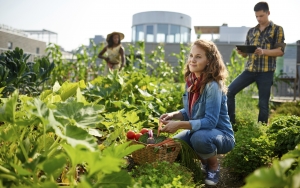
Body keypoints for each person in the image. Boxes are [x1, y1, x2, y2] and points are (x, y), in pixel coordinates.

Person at [159, 39, 235, 186]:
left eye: (198, 56)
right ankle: (204, 159)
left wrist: (179, 125)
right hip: (200, 131)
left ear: (209, 61)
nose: (192, 60)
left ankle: (212, 166)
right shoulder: (191, 81)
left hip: (221, 134)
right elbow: (190, 112)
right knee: (176, 144)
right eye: (191, 55)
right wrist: (173, 115)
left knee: (199, 139)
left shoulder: (213, 86)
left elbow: (210, 122)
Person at [227, 1, 285, 124]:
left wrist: (263, 51)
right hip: (250, 70)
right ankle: (230, 124)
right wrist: (242, 52)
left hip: (266, 72)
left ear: (268, 13)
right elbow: (246, 53)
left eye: (261, 16)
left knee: (263, 104)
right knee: (229, 92)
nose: (259, 19)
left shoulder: (277, 30)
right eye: (256, 16)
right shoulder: (251, 31)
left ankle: (261, 129)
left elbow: (280, 51)